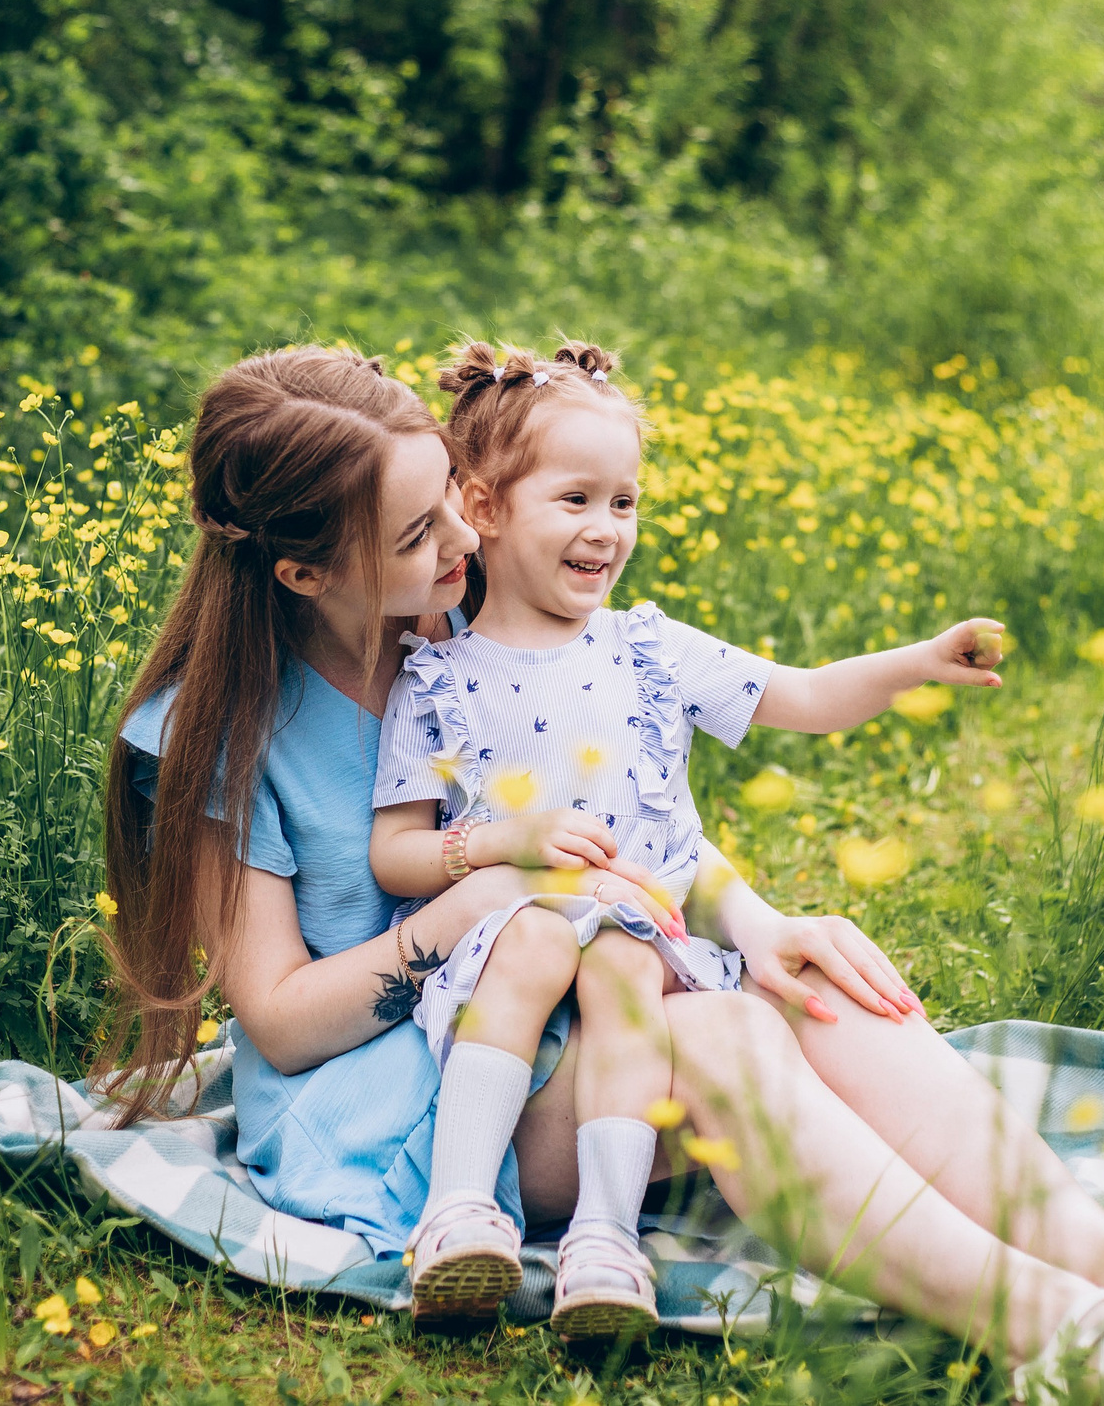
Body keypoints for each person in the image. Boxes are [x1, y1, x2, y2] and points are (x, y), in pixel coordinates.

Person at [97, 345, 1104, 1401]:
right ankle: (1067, 1330)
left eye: (449, 495)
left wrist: (753, 917)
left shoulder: (454, 634)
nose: (457, 538)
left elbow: (611, 820)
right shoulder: (220, 736)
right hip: (397, 1103)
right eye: (413, 534)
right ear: (305, 573)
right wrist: (477, 898)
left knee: (811, 990)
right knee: (723, 1040)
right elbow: (286, 1025)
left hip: (561, 1005)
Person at [368, 339, 1006, 1340]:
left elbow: (801, 696)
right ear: (483, 510)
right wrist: (498, 845)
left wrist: (913, 662)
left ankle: (605, 1242)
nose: (605, 529)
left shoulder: (649, 649)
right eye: (574, 500)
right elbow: (395, 855)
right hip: (508, 966)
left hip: (634, 949)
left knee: (623, 960)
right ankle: (458, 1214)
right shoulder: (436, 681)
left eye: (622, 503)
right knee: (538, 937)